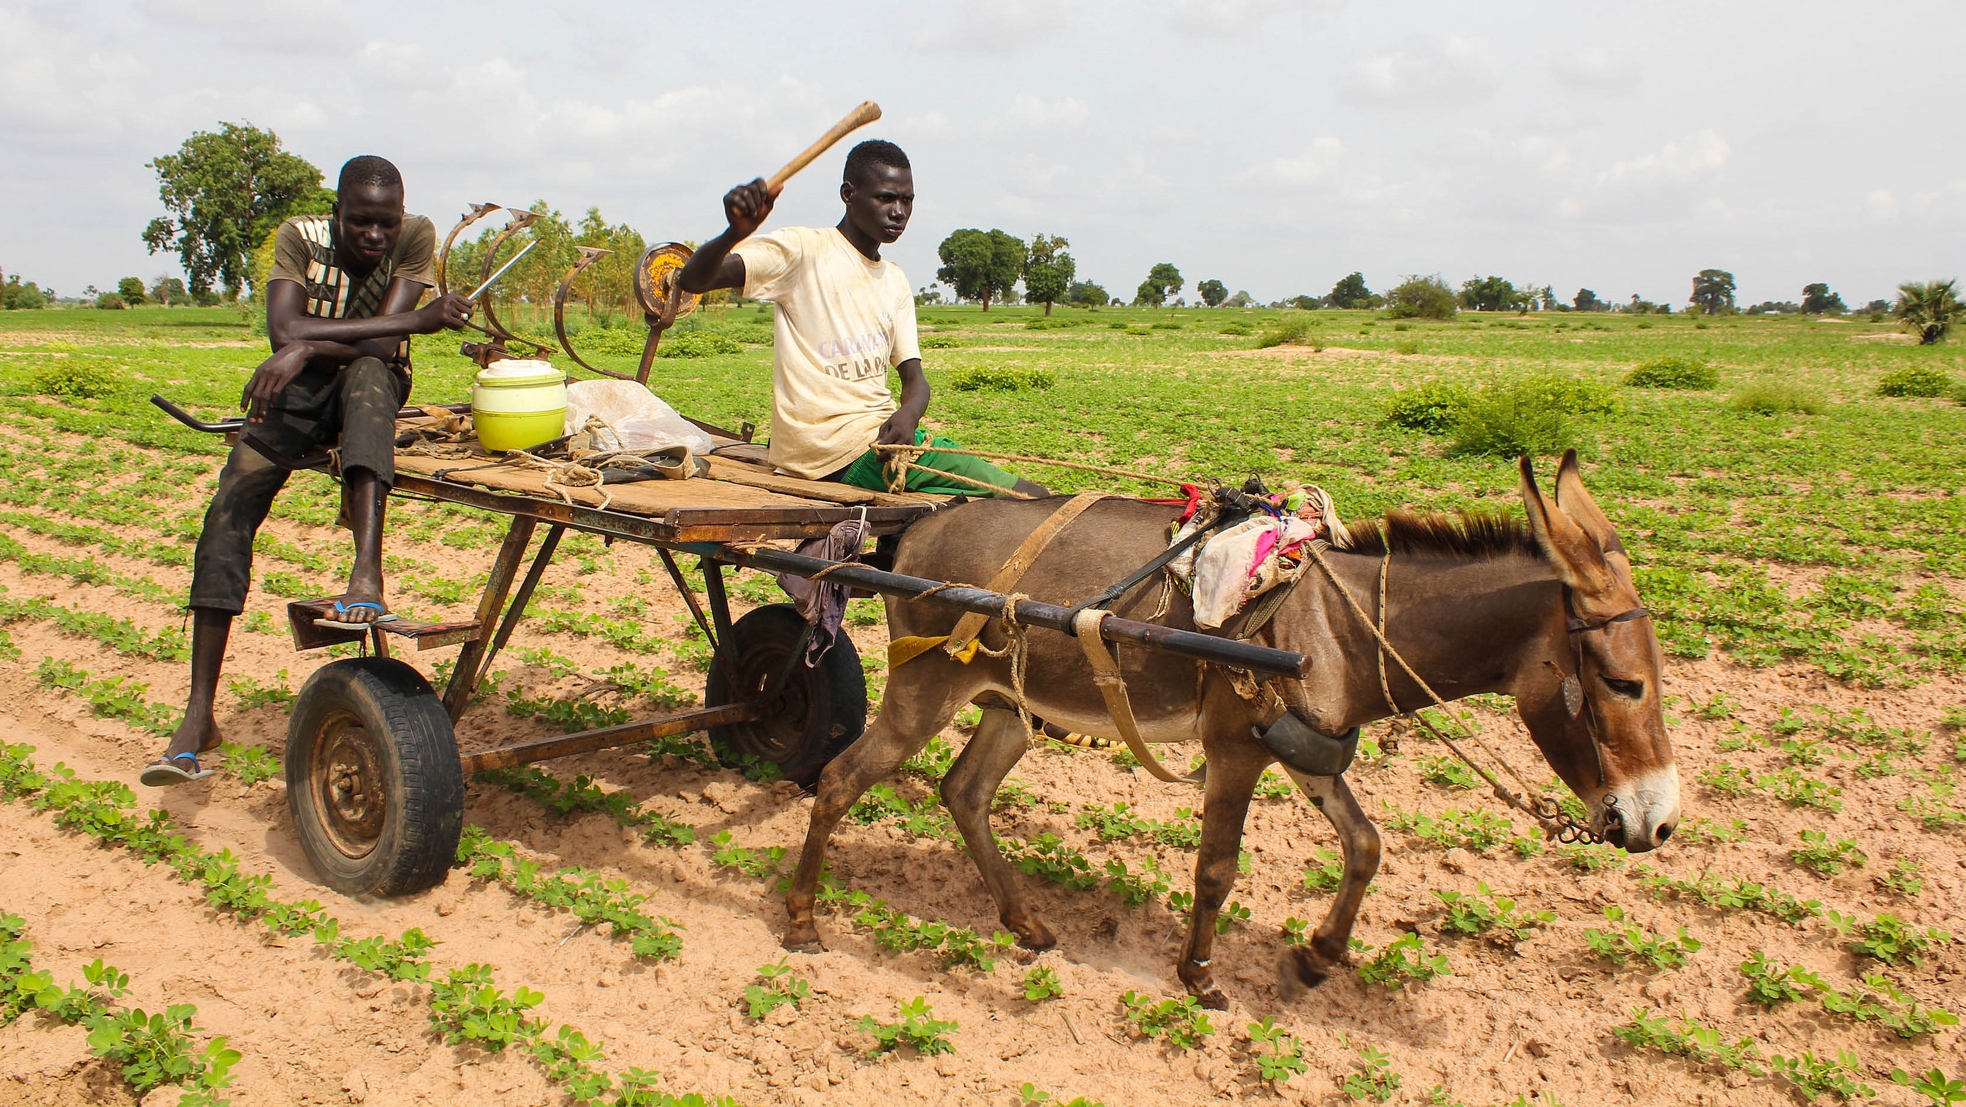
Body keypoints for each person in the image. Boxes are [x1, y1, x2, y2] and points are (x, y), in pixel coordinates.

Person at [141, 155, 473, 786]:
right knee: (229, 509)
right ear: (337, 213)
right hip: (297, 389)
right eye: (359, 223)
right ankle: (196, 717)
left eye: (384, 222)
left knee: (373, 375)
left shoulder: (416, 235)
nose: (374, 236)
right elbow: (280, 324)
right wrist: (408, 323)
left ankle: (366, 572)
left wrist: (302, 343)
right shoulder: (300, 237)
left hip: (366, 382)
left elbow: (374, 347)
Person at [676, 139, 1046, 498]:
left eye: (907, 199)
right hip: (831, 452)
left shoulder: (894, 280)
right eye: (886, 198)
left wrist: (908, 416)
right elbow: (694, 279)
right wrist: (734, 234)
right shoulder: (803, 251)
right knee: (1028, 495)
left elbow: (915, 379)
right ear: (848, 194)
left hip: (881, 438)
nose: (899, 211)